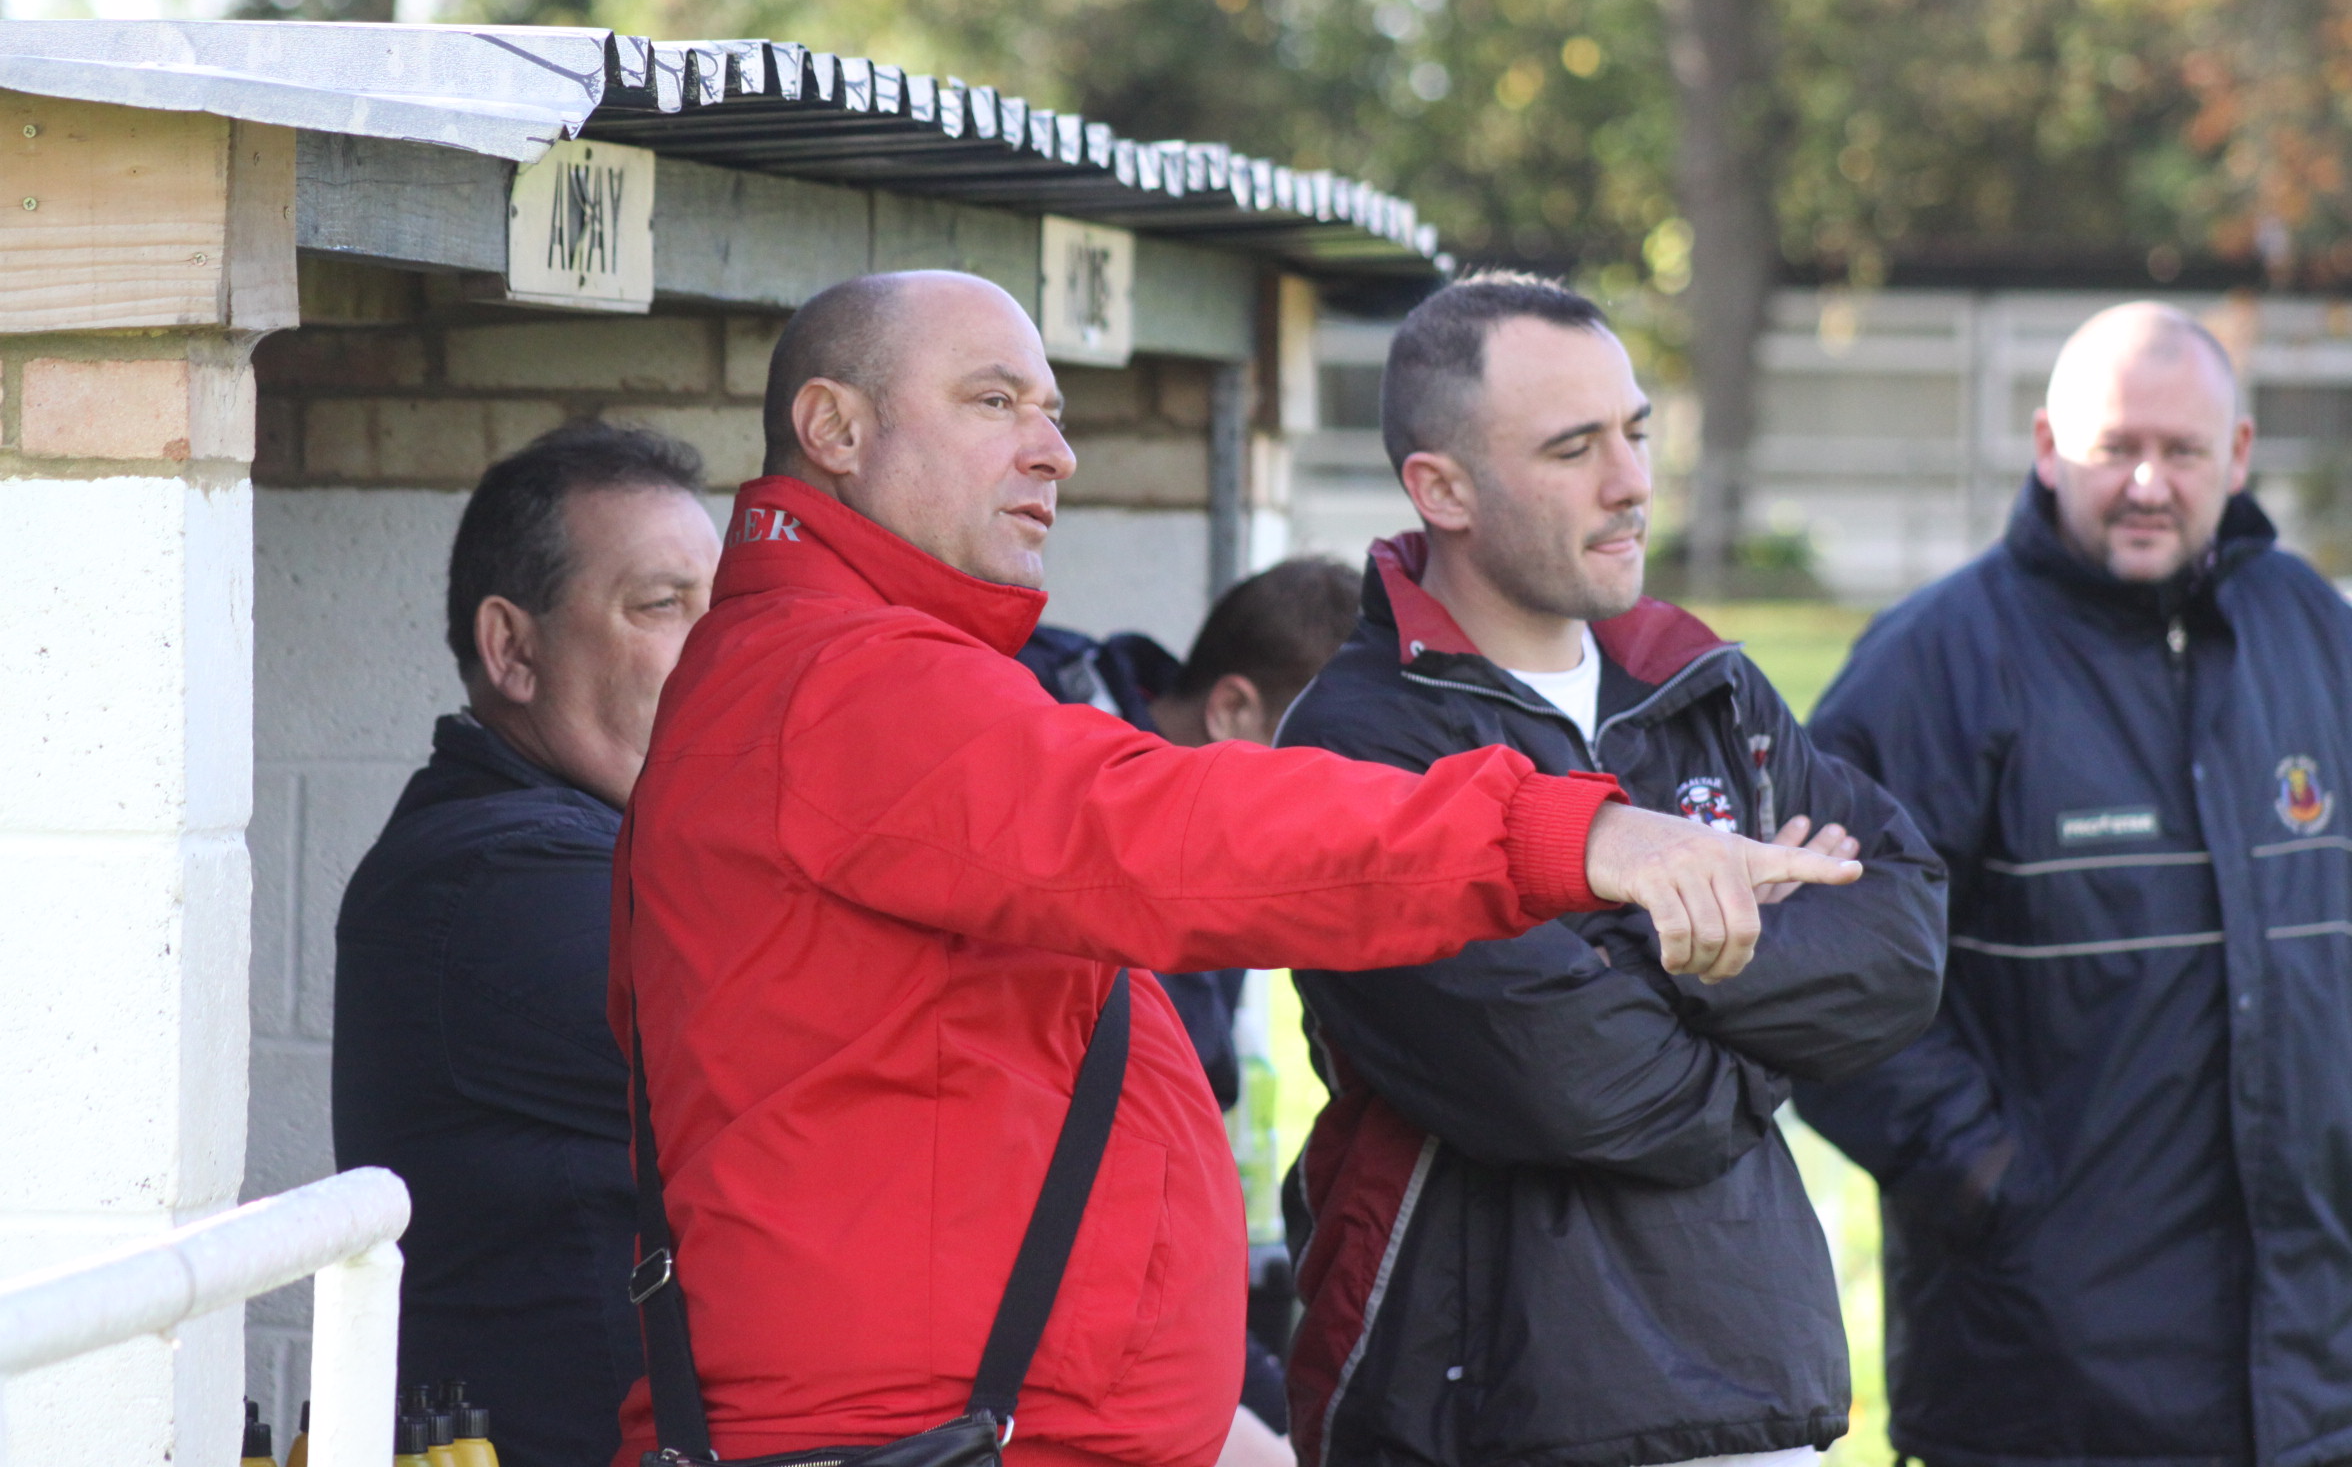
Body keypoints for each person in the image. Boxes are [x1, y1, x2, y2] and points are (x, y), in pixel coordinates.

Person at [609, 270, 1864, 1467]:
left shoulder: (852, 673)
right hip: (908, 1432)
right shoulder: (840, 681)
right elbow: (1167, 835)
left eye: (1055, 411)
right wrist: (1568, 835)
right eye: (996, 402)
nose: (1054, 450)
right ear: (833, 426)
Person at [1274, 272, 1949, 1467]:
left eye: (1636, 432)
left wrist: (1622, 945)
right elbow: (1568, 1075)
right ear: (1442, 487)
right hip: (1489, 1411)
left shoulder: (1699, 677)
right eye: (1574, 447)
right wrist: (1766, 994)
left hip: (1756, 1386)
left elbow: (1902, 939)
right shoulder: (1363, 743)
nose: (1632, 481)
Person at [1795, 302, 2352, 1467]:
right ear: (2048, 446)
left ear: (2238, 455)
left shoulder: (2314, 634)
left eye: (2183, 450)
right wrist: (1988, 1180)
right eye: (2115, 447)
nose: (2147, 481)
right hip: (2043, 1379)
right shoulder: (1934, 667)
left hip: (2313, 1369)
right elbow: (1812, 963)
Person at [334, 422, 722, 1467]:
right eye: (661, 606)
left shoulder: (605, 842)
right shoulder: (501, 877)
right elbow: (828, 1056)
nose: (721, 649)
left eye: (723, 609)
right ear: (513, 648)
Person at [1019, 557, 1364, 1458]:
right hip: (1062, 1334)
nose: (1342, 816)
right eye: (1325, 767)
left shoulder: (1204, 823)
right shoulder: (1089, 832)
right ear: (1234, 709)